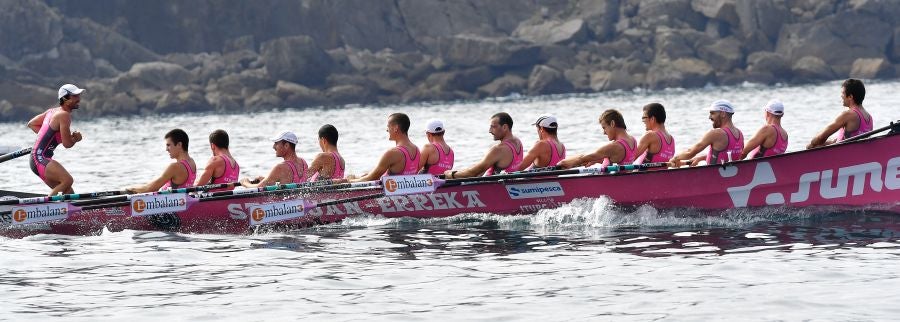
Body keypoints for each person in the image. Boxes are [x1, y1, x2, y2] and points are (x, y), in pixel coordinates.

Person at [27, 84, 85, 196]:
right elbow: (67, 144)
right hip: (40, 159)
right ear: (65, 99)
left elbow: (32, 124)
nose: (79, 99)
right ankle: (45, 207)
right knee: (68, 180)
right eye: (75, 96)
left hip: (36, 159)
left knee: (69, 193)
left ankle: (70, 212)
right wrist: (76, 139)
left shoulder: (52, 111)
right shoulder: (64, 115)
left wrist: (48, 137)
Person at [443, 112, 523, 179]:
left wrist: (451, 174)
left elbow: (473, 173)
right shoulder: (518, 142)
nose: (489, 131)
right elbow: (479, 170)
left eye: (493, 127)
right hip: (509, 184)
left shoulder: (499, 149)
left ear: (505, 127)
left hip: (493, 188)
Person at [348, 113, 419, 182]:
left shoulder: (392, 153)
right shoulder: (416, 149)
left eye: (388, 126)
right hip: (404, 190)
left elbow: (372, 178)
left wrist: (350, 181)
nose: (387, 130)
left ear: (395, 128)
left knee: (348, 178)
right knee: (364, 174)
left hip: (387, 191)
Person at [671, 100, 744, 167]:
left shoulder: (716, 133)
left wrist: (675, 158)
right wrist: (701, 158)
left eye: (712, 113)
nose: (709, 117)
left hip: (715, 177)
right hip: (730, 177)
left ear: (723, 113)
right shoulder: (739, 134)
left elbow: (690, 152)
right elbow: (725, 156)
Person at [557, 109, 636, 169]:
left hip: (615, 184)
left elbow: (582, 158)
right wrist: (596, 160)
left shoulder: (615, 146)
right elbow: (619, 158)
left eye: (604, 128)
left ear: (612, 123)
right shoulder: (632, 140)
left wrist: (562, 163)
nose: (604, 133)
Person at [807, 78, 873, 148]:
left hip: (844, 154)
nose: (841, 96)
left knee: (811, 145)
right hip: (857, 152)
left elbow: (820, 138)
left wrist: (811, 144)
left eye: (843, 93)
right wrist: (831, 142)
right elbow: (852, 138)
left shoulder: (848, 115)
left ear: (850, 96)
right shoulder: (869, 117)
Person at [126, 129, 197, 193]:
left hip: (165, 203)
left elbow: (150, 188)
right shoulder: (191, 162)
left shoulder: (175, 167)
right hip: (179, 201)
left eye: (168, 145)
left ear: (179, 144)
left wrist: (131, 189)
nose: (166, 149)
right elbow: (153, 184)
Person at [240, 131, 308, 187]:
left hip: (284, 203)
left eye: (276, 143)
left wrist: (245, 183)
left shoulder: (280, 167)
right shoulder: (303, 162)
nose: (273, 147)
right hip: (301, 202)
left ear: (286, 145)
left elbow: (259, 187)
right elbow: (288, 181)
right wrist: (267, 179)